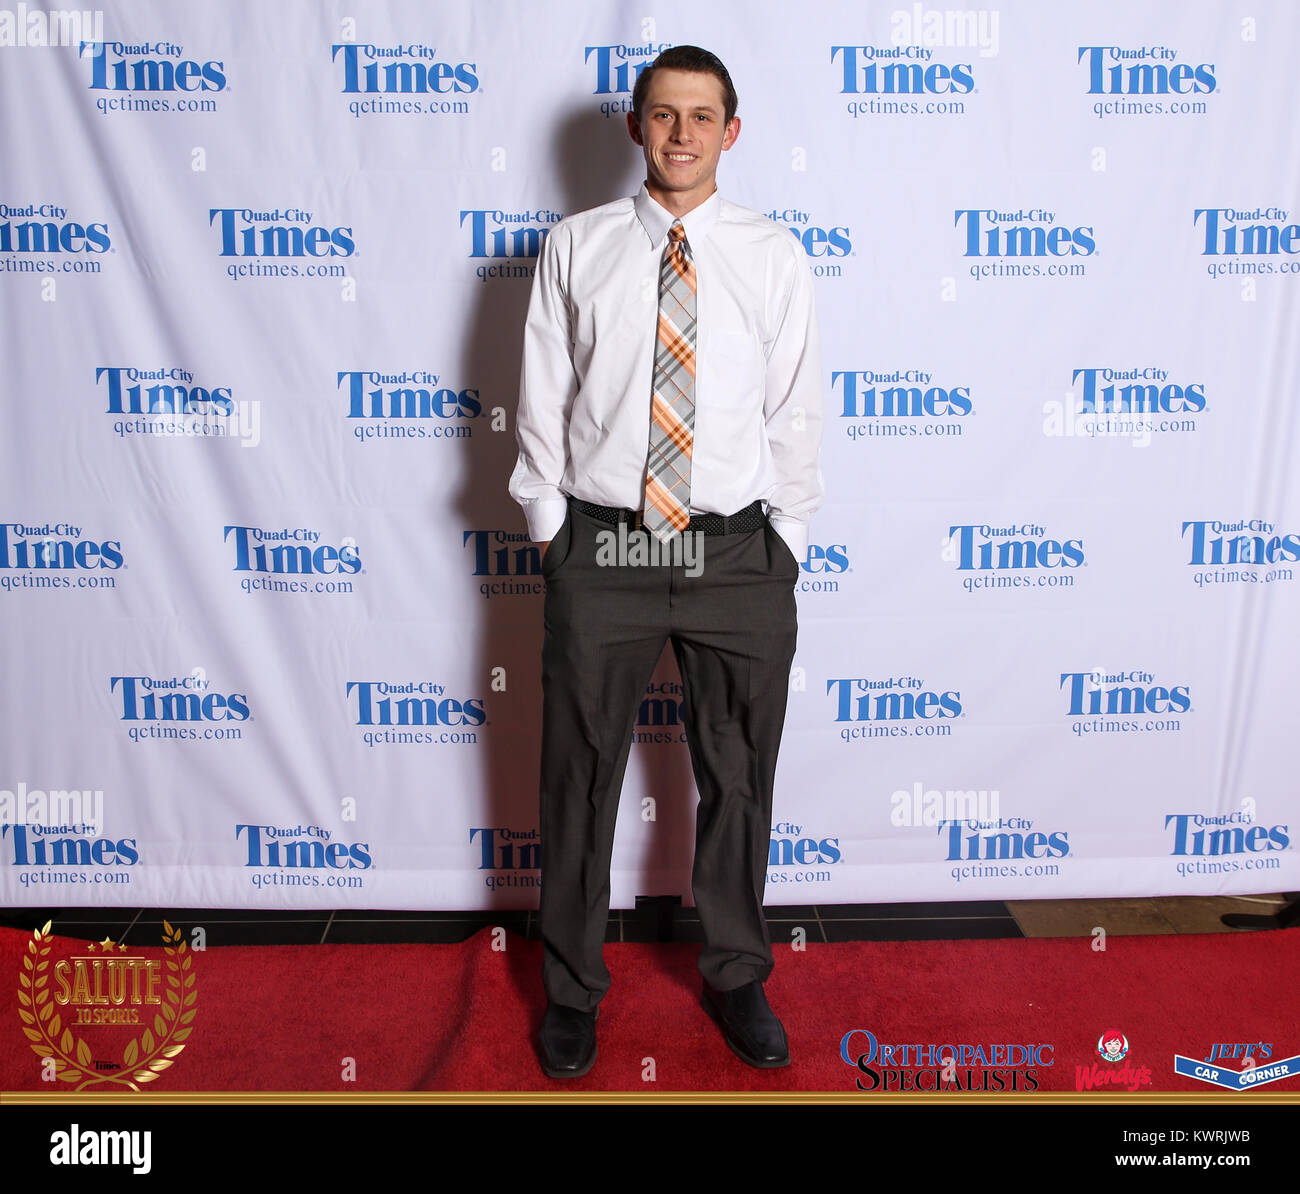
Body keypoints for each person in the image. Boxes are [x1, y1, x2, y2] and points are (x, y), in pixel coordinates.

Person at [509, 44, 824, 1079]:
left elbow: (794, 410)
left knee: (739, 774)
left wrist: (783, 544)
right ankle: (569, 991)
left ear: (731, 132)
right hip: (603, 544)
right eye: (662, 114)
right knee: (578, 774)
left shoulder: (772, 253)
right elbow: (542, 396)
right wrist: (552, 530)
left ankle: (736, 975)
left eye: (702, 116)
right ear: (637, 127)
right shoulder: (577, 245)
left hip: (736, 549)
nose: (681, 133)